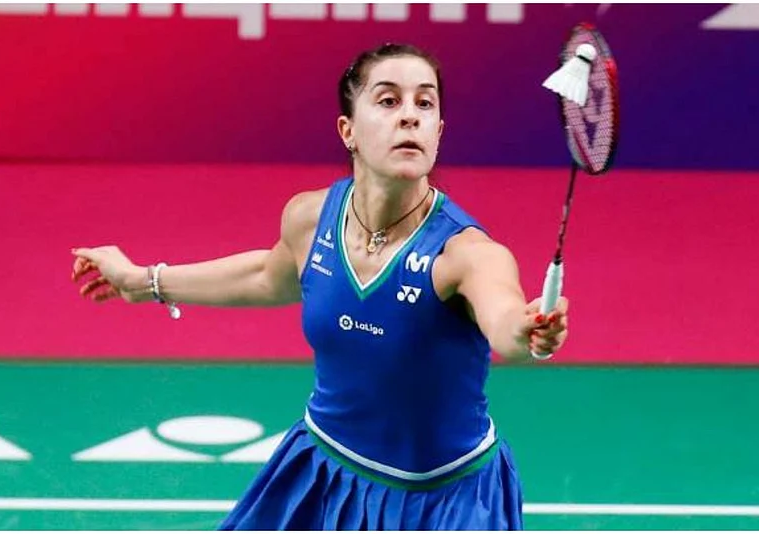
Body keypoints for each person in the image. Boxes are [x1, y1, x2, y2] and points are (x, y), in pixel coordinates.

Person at [71, 43, 569, 530]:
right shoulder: (310, 218)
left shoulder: (466, 254)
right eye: (388, 100)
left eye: (425, 103)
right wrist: (145, 281)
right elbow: (269, 276)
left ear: (439, 131)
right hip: (324, 475)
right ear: (348, 130)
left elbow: (506, 325)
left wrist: (529, 332)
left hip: (442, 500)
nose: (409, 117)